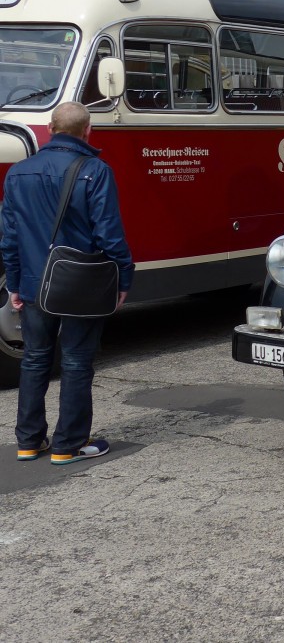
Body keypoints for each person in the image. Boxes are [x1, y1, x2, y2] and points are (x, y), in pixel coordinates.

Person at [3, 101, 134, 465]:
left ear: (50, 127)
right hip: (80, 285)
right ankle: (68, 444)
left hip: (32, 284)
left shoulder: (18, 173)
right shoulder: (95, 171)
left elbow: (9, 237)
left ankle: (29, 442)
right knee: (76, 362)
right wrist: (124, 276)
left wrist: (13, 282)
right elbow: (109, 234)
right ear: (87, 130)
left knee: (34, 360)